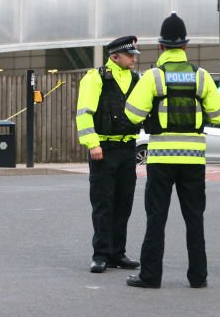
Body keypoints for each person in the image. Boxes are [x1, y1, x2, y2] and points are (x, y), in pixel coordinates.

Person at [123, 13, 220, 289]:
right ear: (185, 47)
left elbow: (132, 114)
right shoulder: (201, 76)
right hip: (193, 160)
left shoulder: (153, 77)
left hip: (161, 159)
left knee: (156, 218)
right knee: (195, 218)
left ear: (160, 47)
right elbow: (218, 115)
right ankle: (198, 277)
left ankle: (150, 276)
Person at [76, 35, 143, 273]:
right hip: (103, 149)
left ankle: (118, 253)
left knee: (124, 204)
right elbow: (84, 112)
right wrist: (92, 143)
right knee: (103, 204)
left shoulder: (136, 79)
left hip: (127, 149)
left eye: (134, 55)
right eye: (130, 55)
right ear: (115, 56)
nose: (134, 59)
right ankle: (101, 254)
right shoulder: (96, 77)